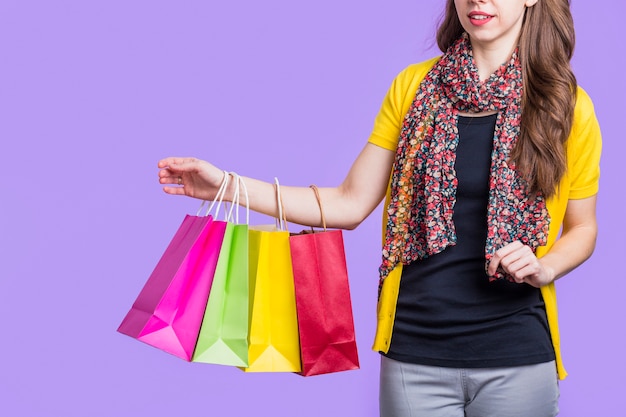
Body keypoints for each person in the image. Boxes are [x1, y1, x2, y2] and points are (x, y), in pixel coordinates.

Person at [157, 0, 602, 415]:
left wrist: (545, 267)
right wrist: (226, 186)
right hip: (415, 355)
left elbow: (582, 229)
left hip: (518, 355)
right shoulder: (413, 88)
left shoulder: (566, 107)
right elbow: (348, 203)